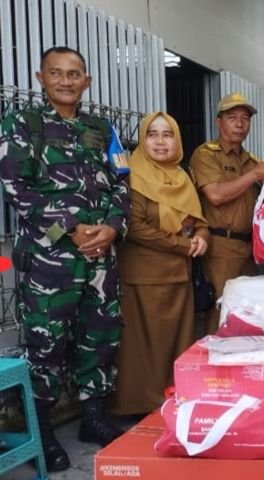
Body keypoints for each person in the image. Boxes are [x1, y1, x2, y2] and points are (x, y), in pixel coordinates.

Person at [0, 46, 130, 471]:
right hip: (49, 259)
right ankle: (44, 432)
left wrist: (112, 227)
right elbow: (17, 189)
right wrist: (69, 231)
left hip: (100, 258)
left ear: (87, 81)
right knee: (46, 345)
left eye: (74, 74)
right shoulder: (24, 124)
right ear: (41, 78)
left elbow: (122, 183)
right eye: (56, 73)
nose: (65, 80)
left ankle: (94, 418)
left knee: (101, 337)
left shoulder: (100, 127)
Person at [112, 112, 208, 415]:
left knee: (175, 345)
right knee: (145, 349)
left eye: (167, 134)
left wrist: (203, 236)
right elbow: (136, 227)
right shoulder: (133, 174)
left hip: (179, 275)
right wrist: (183, 245)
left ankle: (172, 404)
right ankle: (142, 408)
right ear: (142, 139)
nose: (160, 141)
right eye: (152, 134)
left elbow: (196, 217)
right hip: (144, 277)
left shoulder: (183, 176)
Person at [189, 93, 264, 334]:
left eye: (245, 118)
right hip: (221, 248)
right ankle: (214, 370)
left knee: (246, 316)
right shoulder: (206, 154)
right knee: (220, 314)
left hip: (251, 249)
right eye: (232, 117)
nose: (239, 123)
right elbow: (215, 195)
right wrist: (254, 176)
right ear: (219, 122)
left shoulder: (252, 161)